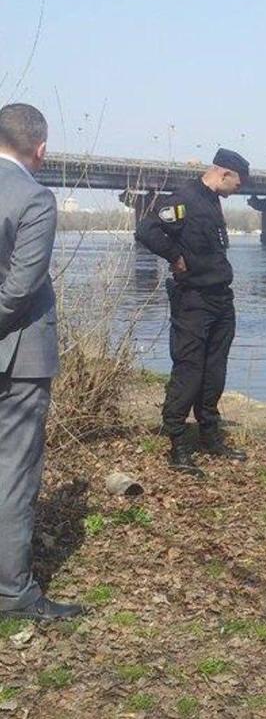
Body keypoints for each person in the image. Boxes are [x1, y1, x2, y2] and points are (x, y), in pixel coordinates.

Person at [0, 103, 83, 621]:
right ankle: (13, 594)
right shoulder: (33, 197)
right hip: (18, 358)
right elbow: (20, 288)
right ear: (41, 149)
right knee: (13, 472)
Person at [135, 149, 251, 477]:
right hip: (193, 300)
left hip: (220, 298)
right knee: (189, 369)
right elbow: (146, 231)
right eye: (237, 185)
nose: (237, 191)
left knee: (215, 370)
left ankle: (209, 435)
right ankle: (178, 445)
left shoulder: (212, 201)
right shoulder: (183, 199)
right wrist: (174, 256)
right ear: (224, 174)